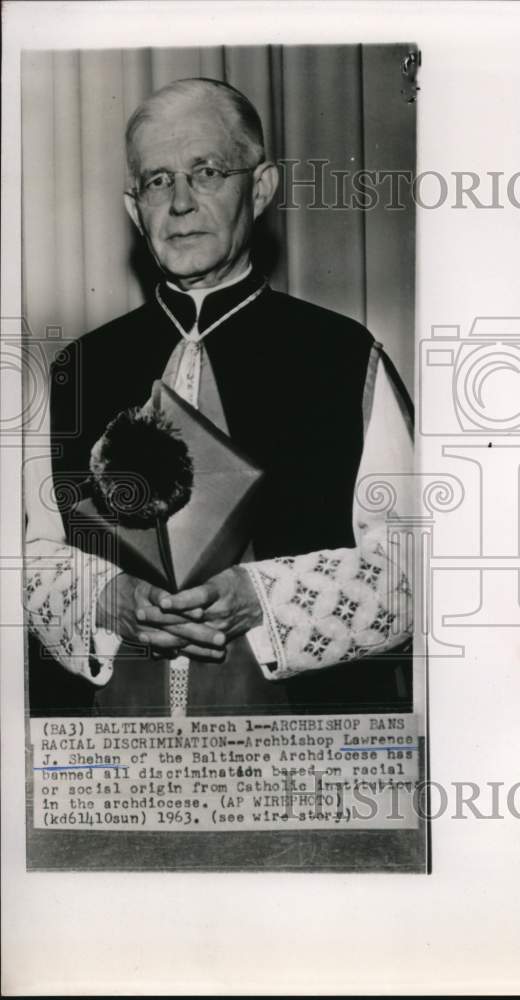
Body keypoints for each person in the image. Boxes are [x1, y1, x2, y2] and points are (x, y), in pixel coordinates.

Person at [24, 77, 413, 717]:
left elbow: (412, 567)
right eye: (157, 181)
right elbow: (29, 556)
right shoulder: (75, 369)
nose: (180, 203)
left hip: (298, 745)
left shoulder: (344, 358)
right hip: (114, 743)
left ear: (259, 189)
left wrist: (262, 599)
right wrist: (103, 600)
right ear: (134, 210)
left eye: (207, 172)